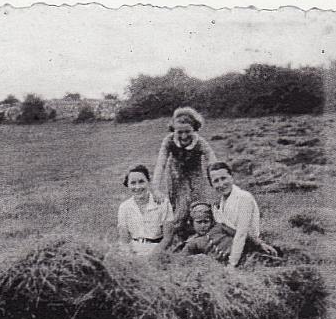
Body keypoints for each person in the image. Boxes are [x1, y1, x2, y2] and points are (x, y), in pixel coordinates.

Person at [152, 107, 217, 237]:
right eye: (179, 132)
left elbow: (213, 163)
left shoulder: (200, 143)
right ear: (174, 130)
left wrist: (217, 183)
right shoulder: (169, 141)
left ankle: (200, 232)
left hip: (195, 174)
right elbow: (160, 164)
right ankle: (173, 233)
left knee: (199, 202)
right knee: (180, 205)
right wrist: (156, 188)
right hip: (176, 174)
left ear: (194, 129)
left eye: (188, 131)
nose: (184, 136)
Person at [207, 162, 277, 267]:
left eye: (224, 178)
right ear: (212, 185)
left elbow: (241, 234)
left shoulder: (244, 198)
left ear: (232, 177)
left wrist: (232, 264)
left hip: (245, 245)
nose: (221, 184)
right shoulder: (219, 202)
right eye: (216, 181)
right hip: (227, 243)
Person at [183, 201, 276, 265]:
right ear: (192, 223)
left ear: (211, 222)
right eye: (199, 222)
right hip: (223, 267)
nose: (203, 225)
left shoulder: (219, 228)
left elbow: (241, 234)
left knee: (270, 260)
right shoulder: (193, 242)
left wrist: (260, 244)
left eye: (206, 221)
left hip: (243, 256)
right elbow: (182, 258)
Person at [117, 165, 174, 257]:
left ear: (148, 181)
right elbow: (124, 240)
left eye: (141, 182)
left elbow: (168, 238)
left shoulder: (163, 203)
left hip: (157, 249)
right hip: (133, 250)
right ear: (127, 185)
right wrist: (130, 256)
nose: (138, 187)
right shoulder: (124, 207)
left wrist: (154, 256)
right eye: (133, 183)